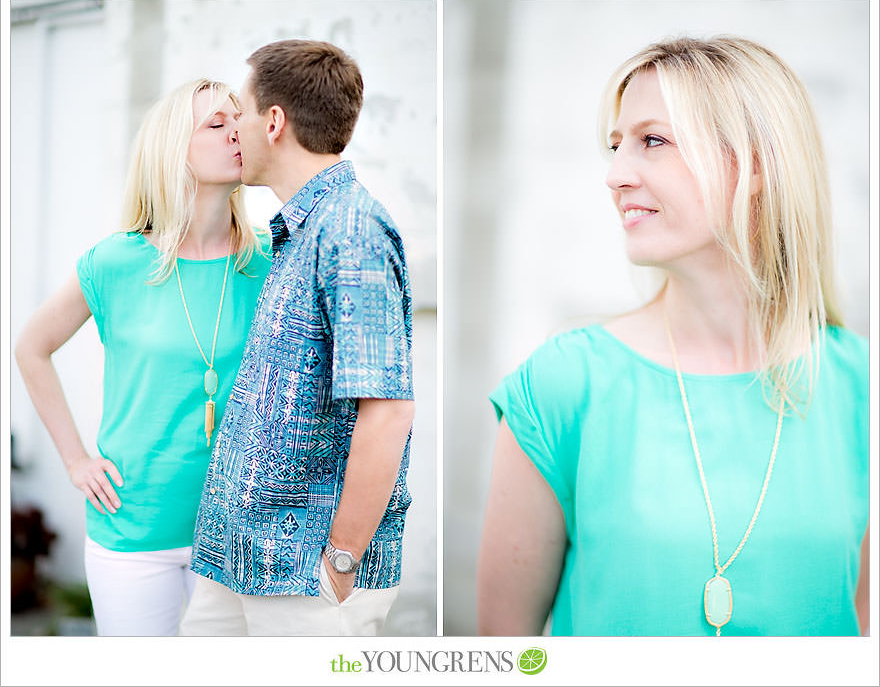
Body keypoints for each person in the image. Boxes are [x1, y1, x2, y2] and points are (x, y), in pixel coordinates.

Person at [478, 36, 869, 637]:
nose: (614, 175)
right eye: (615, 146)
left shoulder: (859, 388)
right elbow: (507, 652)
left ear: (756, 162)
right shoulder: (562, 385)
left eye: (652, 141)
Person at [14, 79, 272, 636]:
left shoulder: (270, 258)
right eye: (216, 124)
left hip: (237, 532)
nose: (237, 132)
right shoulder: (115, 262)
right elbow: (31, 349)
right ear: (174, 148)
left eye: (239, 118)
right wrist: (75, 460)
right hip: (134, 534)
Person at [179, 39, 415, 637]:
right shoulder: (295, 231)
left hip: (303, 578)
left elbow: (387, 412)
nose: (235, 130)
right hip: (235, 560)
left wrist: (340, 561)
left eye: (242, 114)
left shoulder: (351, 228)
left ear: (275, 122)